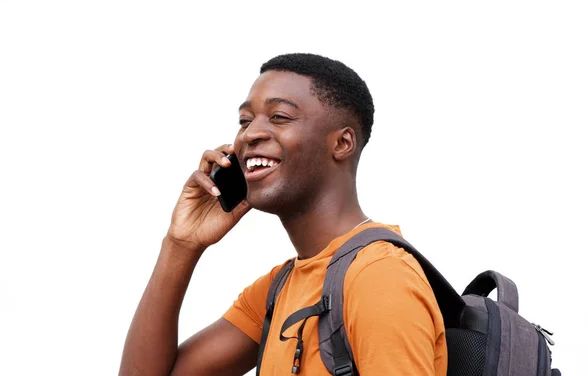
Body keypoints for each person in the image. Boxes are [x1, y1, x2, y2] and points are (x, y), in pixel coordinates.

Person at [119, 53, 447, 375]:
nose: (249, 134)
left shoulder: (378, 277)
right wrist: (181, 244)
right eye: (245, 121)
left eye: (279, 117)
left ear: (342, 143)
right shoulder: (281, 286)